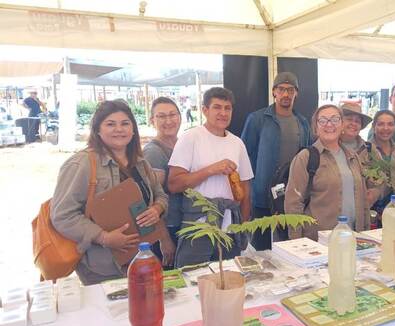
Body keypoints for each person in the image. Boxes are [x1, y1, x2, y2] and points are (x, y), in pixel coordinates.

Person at [51, 100, 168, 285]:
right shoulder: (81, 164)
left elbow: (160, 195)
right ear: (98, 130)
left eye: (125, 123)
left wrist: (157, 209)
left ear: (133, 129)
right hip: (102, 267)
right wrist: (103, 237)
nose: (119, 129)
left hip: (142, 258)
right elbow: (62, 215)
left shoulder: (140, 163)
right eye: (110, 124)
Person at [168, 87, 253, 266]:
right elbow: (174, 184)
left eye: (227, 108)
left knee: (229, 278)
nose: (223, 113)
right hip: (199, 224)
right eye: (217, 107)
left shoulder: (237, 143)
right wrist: (210, 170)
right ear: (205, 110)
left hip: (230, 225)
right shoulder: (191, 137)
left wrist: (243, 225)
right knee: (193, 278)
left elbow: (245, 187)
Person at [241, 72, 312, 250]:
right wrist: (247, 193)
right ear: (274, 92)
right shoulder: (257, 119)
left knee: (292, 245)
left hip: (292, 196)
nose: (286, 94)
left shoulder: (303, 123)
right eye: (281, 89)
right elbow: (243, 155)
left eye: (290, 90)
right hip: (263, 195)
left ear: (297, 93)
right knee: (261, 246)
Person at [285, 104, 370, 241]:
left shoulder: (353, 157)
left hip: (354, 237)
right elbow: (293, 204)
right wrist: (296, 241)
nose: (329, 125)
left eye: (335, 119)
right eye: (323, 120)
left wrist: (365, 234)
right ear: (315, 127)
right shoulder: (306, 158)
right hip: (319, 241)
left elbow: (363, 199)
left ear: (342, 125)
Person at [143, 97, 181, 268]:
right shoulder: (153, 152)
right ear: (152, 120)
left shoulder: (182, 145)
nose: (168, 121)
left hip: (183, 224)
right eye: (161, 116)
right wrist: (164, 240)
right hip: (168, 228)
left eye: (172, 115)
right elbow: (151, 199)